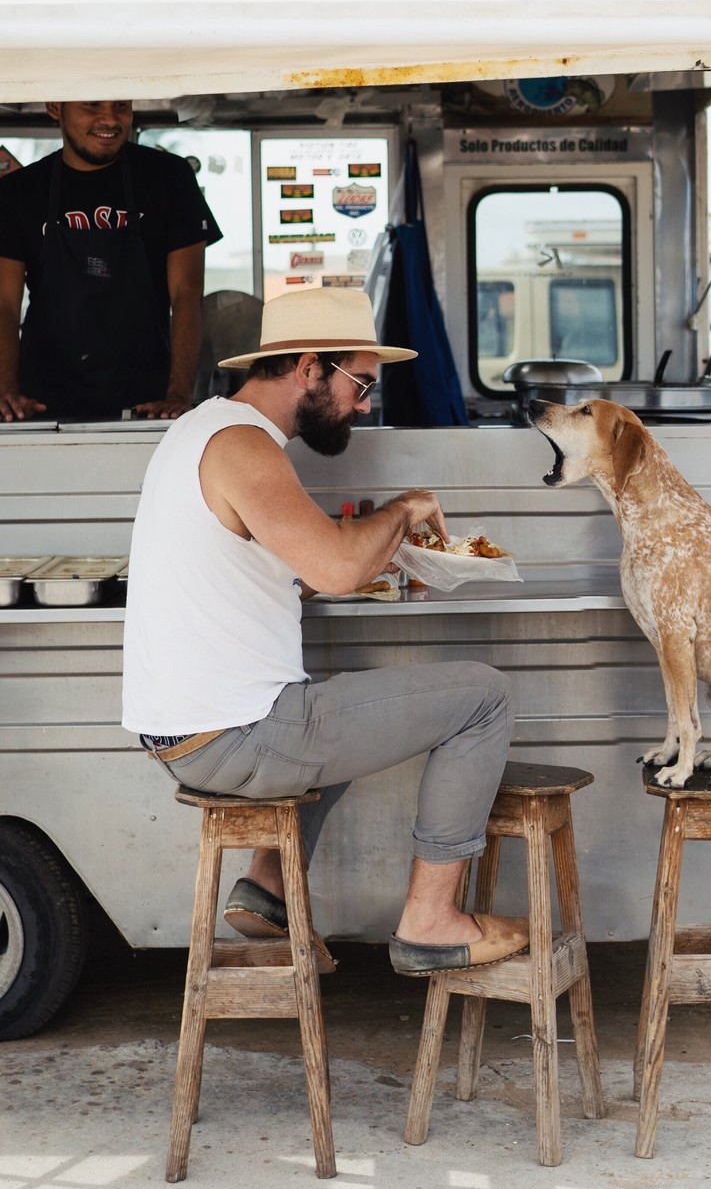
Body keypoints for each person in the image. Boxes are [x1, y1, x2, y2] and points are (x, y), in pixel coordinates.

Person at [121, 285, 527, 976]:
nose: (364, 403)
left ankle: (267, 884)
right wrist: (401, 511)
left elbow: (300, 565)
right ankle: (431, 919)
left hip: (187, 730)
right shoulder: (245, 447)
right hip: (236, 735)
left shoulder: (202, 429)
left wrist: (382, 547)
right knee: (483, 696)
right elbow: (338, 569)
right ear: (310, 367)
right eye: (359, 382)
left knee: (335, 707)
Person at [0, 100, 221, 422]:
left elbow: (187, 293)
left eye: (121, 105)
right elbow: (5, 303)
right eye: (91, 105)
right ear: (54, 107)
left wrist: (178, 394)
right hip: (43, 403)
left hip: (148, 402)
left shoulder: (170, 178)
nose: (110, 118)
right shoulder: (18, 191)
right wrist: (7, 391)